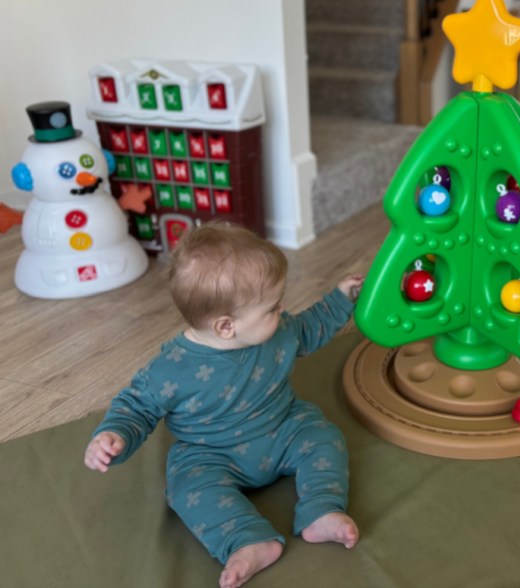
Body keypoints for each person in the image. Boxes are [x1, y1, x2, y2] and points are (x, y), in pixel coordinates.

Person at [84, 221, 364, 588]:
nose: (281, 311)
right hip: (210, 454)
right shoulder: (171, 369)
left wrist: (341, 298)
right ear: (226, 327)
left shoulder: (278, 332)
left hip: (284, 427)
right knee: (185, 487)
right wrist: (112, 436)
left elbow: (310, 328)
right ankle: (247, 540)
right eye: (271, 308)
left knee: (324, 436)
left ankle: (322, 509)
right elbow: (136, 407)